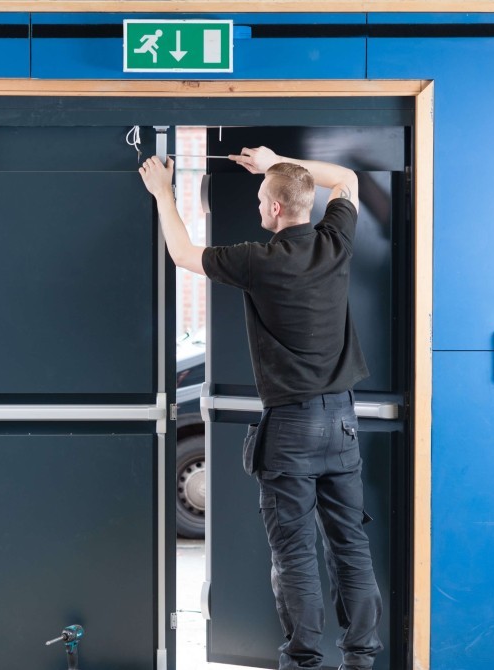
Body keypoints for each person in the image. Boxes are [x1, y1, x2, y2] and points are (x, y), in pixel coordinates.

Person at [139, 146, 383, 670]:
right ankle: (361, 660)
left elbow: (183, 254)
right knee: (350, 546)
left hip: (291, 426)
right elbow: (343, 179)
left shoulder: (257, 259)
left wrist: (162, 190)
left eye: (260, 199)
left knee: (294, 554)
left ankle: (303, 662)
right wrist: (276, 163)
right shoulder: (334, 242)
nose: (257, 206)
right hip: (342, 420)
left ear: (274, 210)